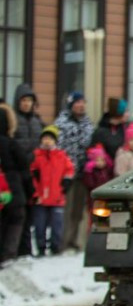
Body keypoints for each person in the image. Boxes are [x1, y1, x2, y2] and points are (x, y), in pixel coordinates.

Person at [54, 91, 94, 252]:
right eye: (77, 102)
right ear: (71, 105)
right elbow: (58, 150)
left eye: (83, 102)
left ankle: (75, 241)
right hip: (66, 175)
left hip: (83, 174)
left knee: (78, 211)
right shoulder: (61, 124)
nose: (81, 105)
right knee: (66, 210)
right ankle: (62, 242)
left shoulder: (88, 124)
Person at [29, 125, 74, 256]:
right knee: (39, 225)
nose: (47, 141)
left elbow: (69, 170)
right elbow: (32, 174)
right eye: (45, 138)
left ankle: (56, 246)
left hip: (57, 196)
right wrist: (35, 192)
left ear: (55, 141)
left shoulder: (61, 156)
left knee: (57, 225)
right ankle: (41, 247)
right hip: (40, 197)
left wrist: (66, 184)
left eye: (50, 139)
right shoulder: (36, 156)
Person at [12, 83, 43, 257]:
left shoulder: (37, 122)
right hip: (19, 171)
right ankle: (18, 248)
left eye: (29, 100)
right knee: (19, 211)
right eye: (23, 100)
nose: (26, 104)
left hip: (35, 173)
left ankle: (26, 248)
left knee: (31, 212)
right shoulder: (14, 120)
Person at [0, 103, 29, 265]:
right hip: (14, 188)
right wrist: (30, 191)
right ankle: (9, 256)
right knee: (15, 222)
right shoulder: (12, 144)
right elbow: (24, 167)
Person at [91, 97, 129, 163]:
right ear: (118, 113)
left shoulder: (125, 129)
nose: (128, 114)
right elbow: (92, 153)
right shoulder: (100, 132)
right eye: (126, 111)